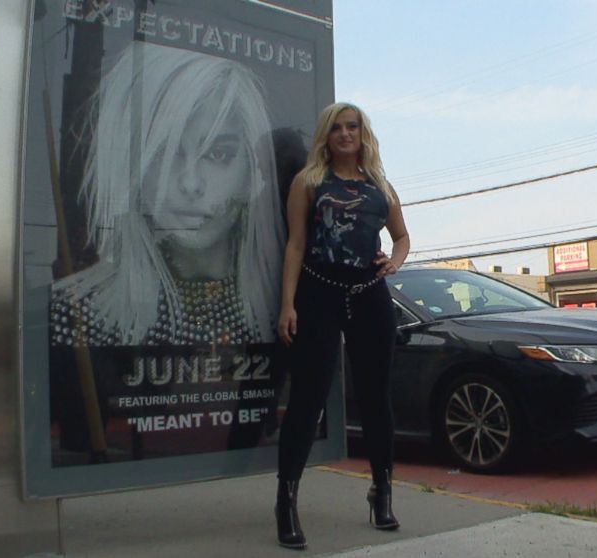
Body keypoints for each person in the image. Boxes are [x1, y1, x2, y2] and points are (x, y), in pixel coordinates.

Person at [50, 43, 285, 346]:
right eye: (165, 152)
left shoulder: (281, 307)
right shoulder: (75, 315)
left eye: (218, 154)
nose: (190, 182)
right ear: (135, 169)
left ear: (252, 173)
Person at [274, 103, 411, 549]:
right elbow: (295, 245)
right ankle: (286, 501)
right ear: (326, 136)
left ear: (363, 133)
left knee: (376, 398)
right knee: (308, 398)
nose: (345, 134)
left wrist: (394, 262)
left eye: (352, 127)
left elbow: (402, 236)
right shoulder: (309, 182)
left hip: (369, 296)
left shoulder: (379, 186)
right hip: (319, 292)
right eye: (337, 127)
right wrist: (287, 304)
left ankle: (382, 492)